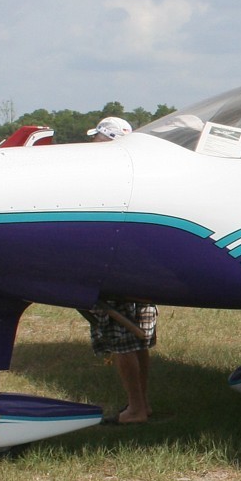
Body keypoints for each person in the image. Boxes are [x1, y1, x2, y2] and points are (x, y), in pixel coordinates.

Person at [84, 116, 157, 424]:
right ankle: (141, 404)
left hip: (117, 272)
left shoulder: (107, 180)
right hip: (138, 272)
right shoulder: (138, 177)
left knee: (123, 341)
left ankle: (136, 408)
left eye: (98, 138)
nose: (92, 144)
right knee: (137, 341)